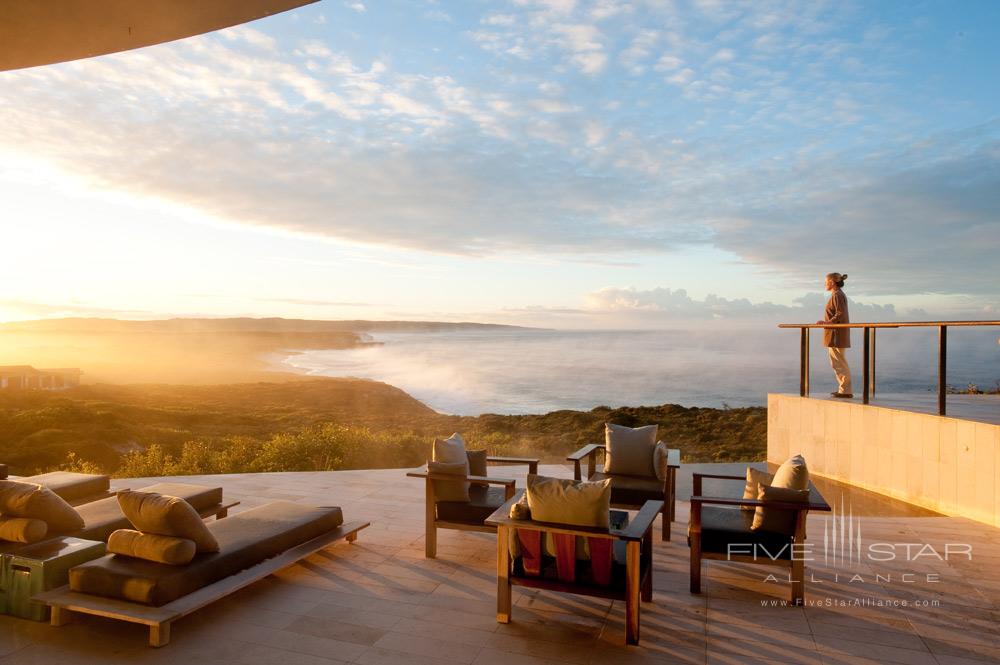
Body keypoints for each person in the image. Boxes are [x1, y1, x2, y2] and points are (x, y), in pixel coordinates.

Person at [818, 272, 852, 398]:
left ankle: (845, 390)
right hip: (835, 333)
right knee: (838, 362)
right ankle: (844, 389)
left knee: (838, 362)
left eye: (826, 281)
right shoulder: (837, 295)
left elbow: (839, 314)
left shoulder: (837, 295)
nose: (825, 284)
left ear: (832, 282)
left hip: (836, 333)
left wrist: (827, 322)